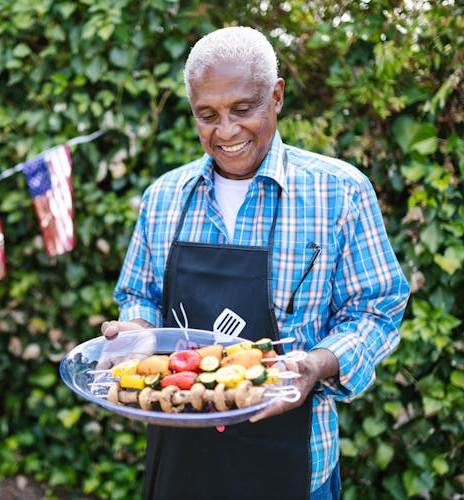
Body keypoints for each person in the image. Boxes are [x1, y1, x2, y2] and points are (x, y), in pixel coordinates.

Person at [100, 26, 410, 499]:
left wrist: (316, 364)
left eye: (242, 110)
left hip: (291, 465)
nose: (225, 132)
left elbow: (377, 311)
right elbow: (140, 294)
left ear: (277, 96)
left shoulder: (338, 192)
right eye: (207, 115)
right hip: (179, 461)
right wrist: (135, 331)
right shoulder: (163, 197)